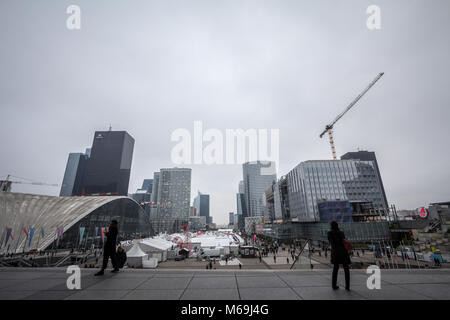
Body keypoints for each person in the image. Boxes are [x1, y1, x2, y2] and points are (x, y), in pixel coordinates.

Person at [328, 220, 351, 291]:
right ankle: (347, 286)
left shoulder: (329, 233)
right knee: (346, 269)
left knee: (335, 269)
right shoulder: (341, 233)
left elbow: (330, 242)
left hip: (335, 252)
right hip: (343, 252)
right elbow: (344, 241)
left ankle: (334, 285)